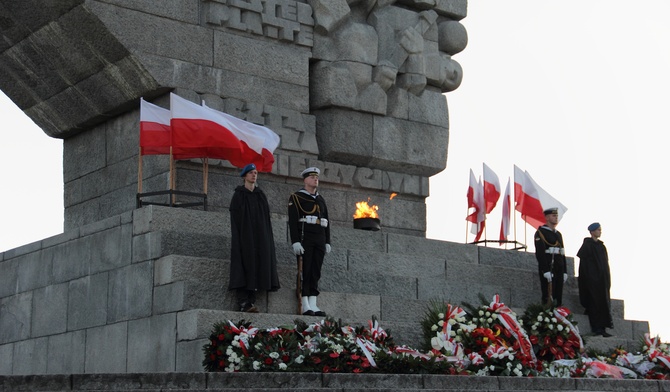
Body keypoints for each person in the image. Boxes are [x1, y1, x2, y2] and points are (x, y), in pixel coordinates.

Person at [228, 163, 280, 312]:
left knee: (258, 264)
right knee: (244, 263)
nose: (253, 175)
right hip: (244, 237)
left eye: (255, 173)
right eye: (251, 173)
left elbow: (266, 220)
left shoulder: (260, 196)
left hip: (260, 237)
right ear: (245, 176)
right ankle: (243, 301)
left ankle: (251, 299)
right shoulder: (239, 195)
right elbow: (235, 218)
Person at [288, 166, 331, 316]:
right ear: (305, 180)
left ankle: (313, 302)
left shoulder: (320, 199)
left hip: (319, 237)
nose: (315, 179)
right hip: (305, 237)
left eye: (317, 177)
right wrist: (295, 241)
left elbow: (326, 221)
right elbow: (293, 222)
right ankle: (305, 303)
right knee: (305, 271)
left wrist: (327, 241)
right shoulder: (297, 197)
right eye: (312, 177)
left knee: (315, 271)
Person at [577, 222, 614, 337]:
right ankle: (596, 328)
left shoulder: (601, 246)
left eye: (600, 229)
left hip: (602, 281)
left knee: (603, 303)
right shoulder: (587, 245)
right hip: (592, 281)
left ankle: (602, 328)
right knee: (594, 303)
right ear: (592, 232)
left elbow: (605, 264)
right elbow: (584, 266)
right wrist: (591, 278)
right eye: (598, 230)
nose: (600, 232)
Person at [534, 207, 567, 307]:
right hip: (549, 265)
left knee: (558, 295)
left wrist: (565, 270)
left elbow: (562, 253)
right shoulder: (540, 233)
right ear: (547, 218)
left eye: (556, 216)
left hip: (559, 266)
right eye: (553, 216)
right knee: (548, 295)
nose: (556, 218)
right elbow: (540, 253)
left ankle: (558, 318)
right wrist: (545, 270)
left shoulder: (558, 234)